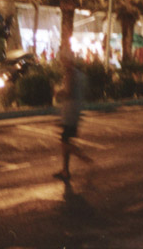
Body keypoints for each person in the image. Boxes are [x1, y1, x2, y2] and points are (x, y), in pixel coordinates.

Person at [54, 48, 91, 183]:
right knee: (66, 139)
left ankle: (81, 155)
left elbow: (68, 92)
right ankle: (65, 171)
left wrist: (58, 92)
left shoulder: (70, 73)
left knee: (64, 141)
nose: (62, 62)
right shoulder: (79, 74)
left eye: (63, 59)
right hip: (75, 110)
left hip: (69, 111)